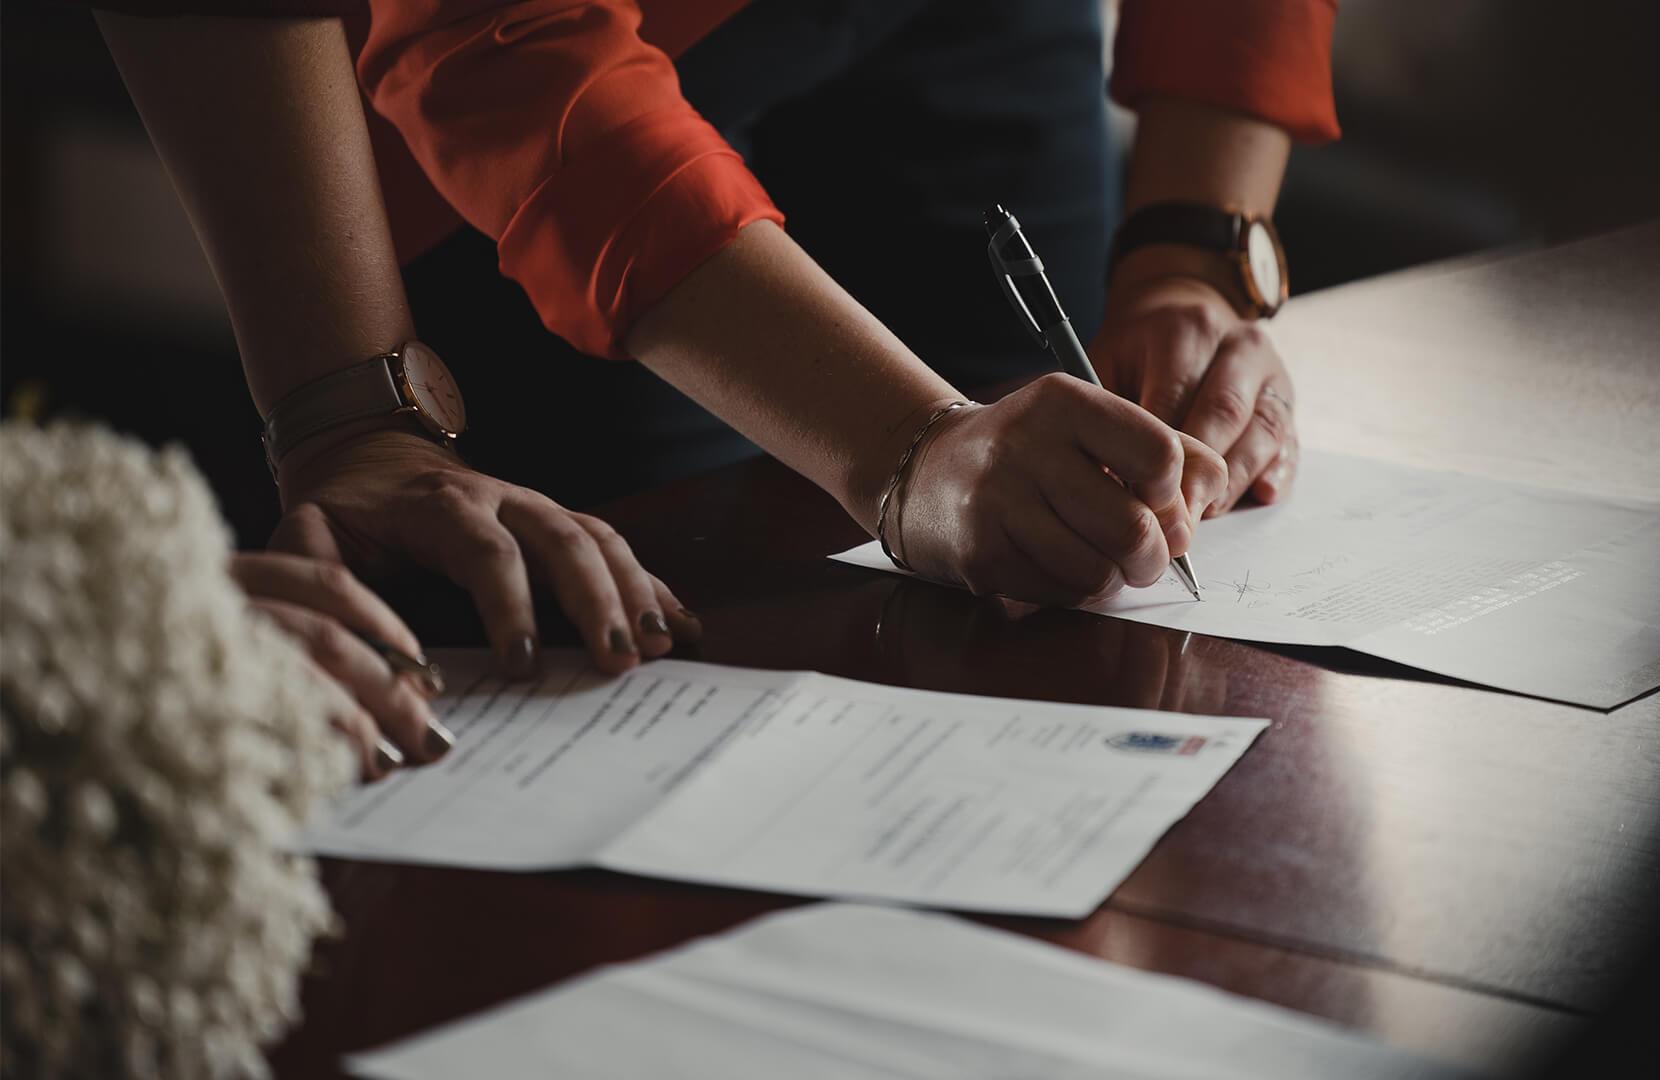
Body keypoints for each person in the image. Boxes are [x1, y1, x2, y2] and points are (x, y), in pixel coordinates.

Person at [95, 2, 1331, 699]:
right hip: (546, 86)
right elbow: (496, 39)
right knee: (650, 675)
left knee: (1047, 599)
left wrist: (1192, 248)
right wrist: (905, 447)